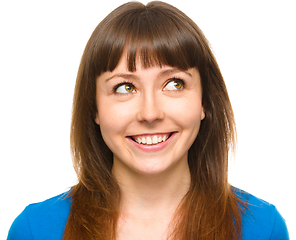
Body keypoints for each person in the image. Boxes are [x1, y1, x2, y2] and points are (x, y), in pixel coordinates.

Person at [7, 1, 289, 240]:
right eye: (125, 87)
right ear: (94, 108)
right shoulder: (36, 230)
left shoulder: (262, 229)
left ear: (204, 100)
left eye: (174, 84)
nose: (150, 113)